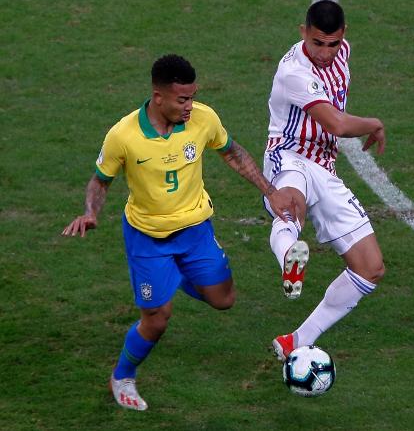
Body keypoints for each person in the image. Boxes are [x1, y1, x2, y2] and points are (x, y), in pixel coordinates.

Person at [62, 54, 297, 411]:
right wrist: (90, 212)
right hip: (148, 238)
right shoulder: (123, 135)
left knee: (224, 299)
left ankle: (174, 277)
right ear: (159, 97)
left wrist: (271, 191)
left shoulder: (203, 118)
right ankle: (123, 375)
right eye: (182, 99)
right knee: (156, 321)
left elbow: (233, 153)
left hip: (195, 230)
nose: (190, 106)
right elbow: (100, 180)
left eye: (192, 96)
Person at [262, 0, 386, 361]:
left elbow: (333, 127)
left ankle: (295, 342)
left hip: (325, 166)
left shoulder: (340, 52)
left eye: (332, 44)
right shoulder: (294, 73)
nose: (325, 52)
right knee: (291, 206)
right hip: (289, 155)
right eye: (317, 43)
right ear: (303, 33)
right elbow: (337, 124)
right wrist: (375, 123)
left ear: (343, 36)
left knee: (371, 267)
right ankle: (289, 256)